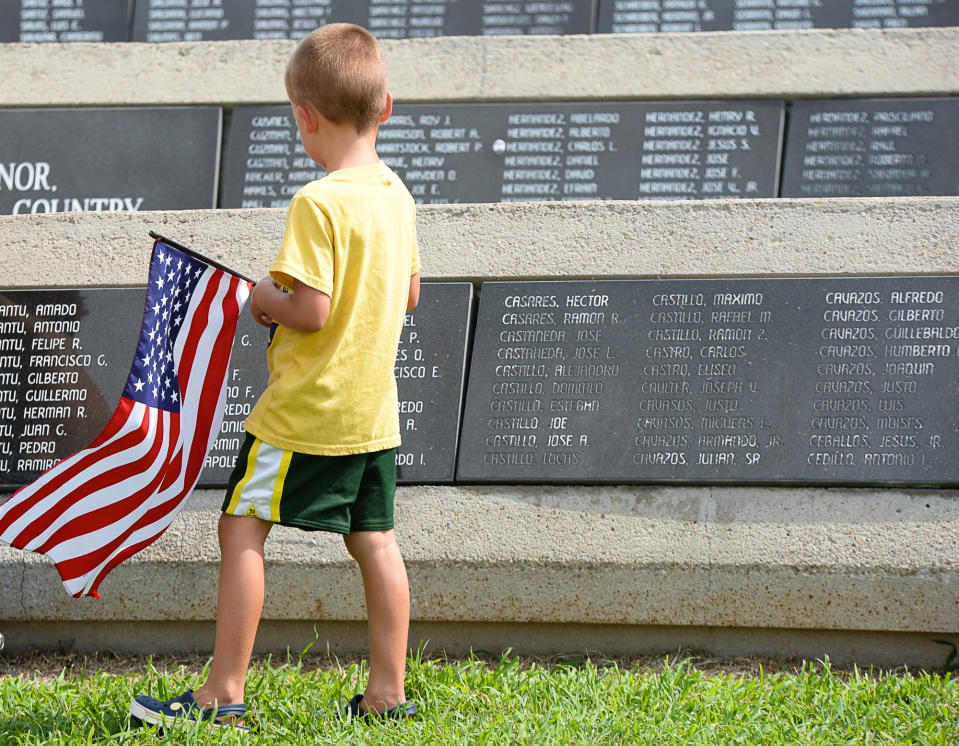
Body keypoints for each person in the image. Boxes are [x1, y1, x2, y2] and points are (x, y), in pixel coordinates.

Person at [130, 23, 420, 730]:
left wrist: (263, 298)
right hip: (371, 417)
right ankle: (388, 693)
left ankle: (221, 693)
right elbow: (409, 293)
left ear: (303, 115)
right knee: (375, 542)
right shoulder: (393, 194)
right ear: (386, 106)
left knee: (241, 528)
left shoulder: (318, 203)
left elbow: (311, 311)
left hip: (301, 417)